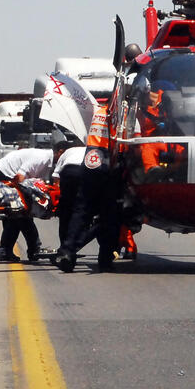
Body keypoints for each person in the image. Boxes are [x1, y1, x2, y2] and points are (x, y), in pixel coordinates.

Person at [55, 103, 120, 272]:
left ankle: (67, 252)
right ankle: (105, 259)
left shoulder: (99, 113)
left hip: (91, 163)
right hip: (111, 165)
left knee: (81, 211)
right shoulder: (125, 113)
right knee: (110, 215)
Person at [0, 144, 62, 262]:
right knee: (21, 213)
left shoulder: (47, 161)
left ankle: (6, 251)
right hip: (4, 176)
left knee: (17, 216)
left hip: (7, 175)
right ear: (60, 152)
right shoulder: (42, 159)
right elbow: (20, 177)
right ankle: (32, 248)